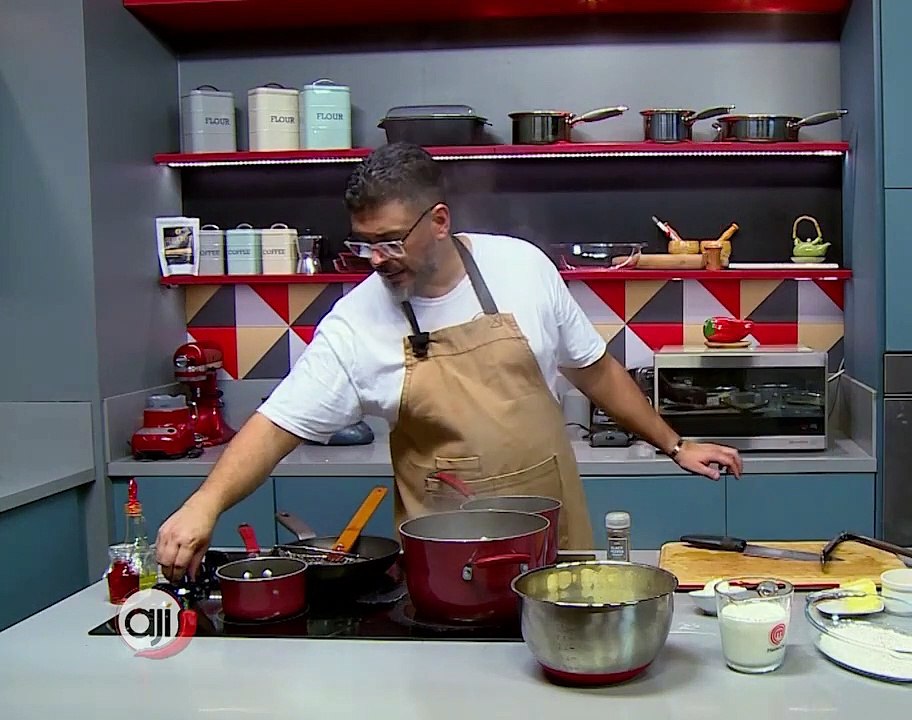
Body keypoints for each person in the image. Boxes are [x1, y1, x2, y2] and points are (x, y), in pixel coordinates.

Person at [155, 142, 743, 581]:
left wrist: (674, 443)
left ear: (439, 220)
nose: (375, 260)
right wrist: (203, 505)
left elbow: (593, 369)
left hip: (553, 543)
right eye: (363, 244)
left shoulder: (523, 268)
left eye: (389, 241)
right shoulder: (357, 323)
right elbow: (278, 422)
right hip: (446, 562)